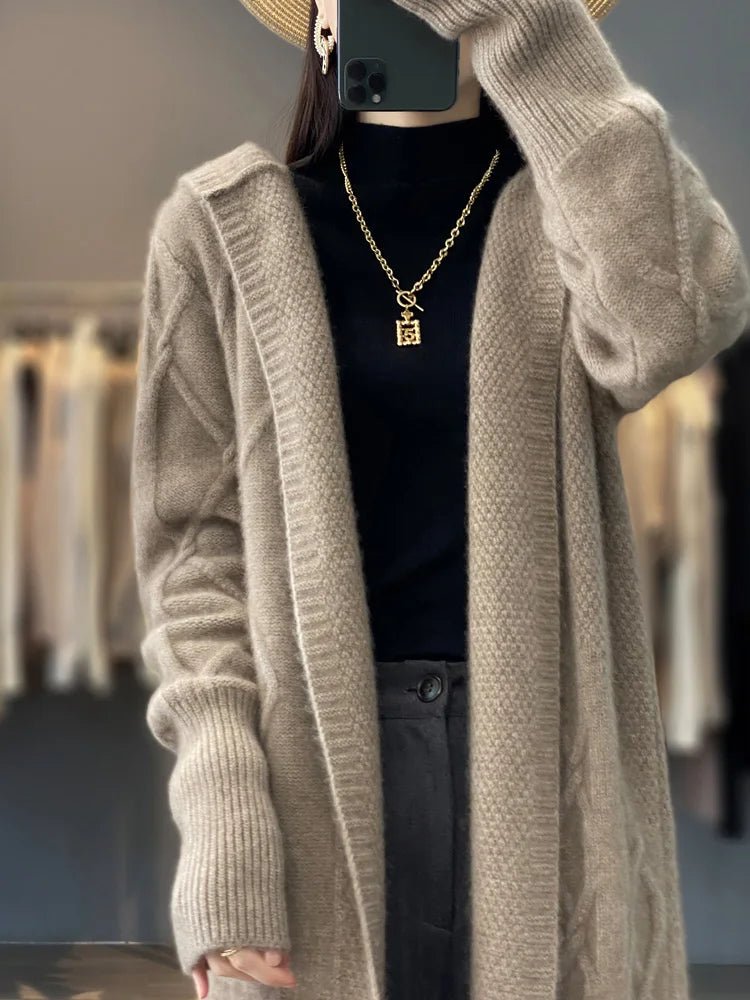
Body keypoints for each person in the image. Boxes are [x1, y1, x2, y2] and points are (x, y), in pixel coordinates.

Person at [130, 0, 750, 997]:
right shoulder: (217, 233)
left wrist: (531, 31)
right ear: (323, 25)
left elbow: (675, 318)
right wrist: (223, 818)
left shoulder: (573, 224)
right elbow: (193, 560)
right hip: (310, 770)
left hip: (546, 753)